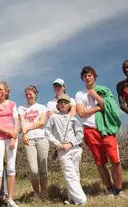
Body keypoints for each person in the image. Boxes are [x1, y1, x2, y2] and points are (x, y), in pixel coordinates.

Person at [75, 66, 124, 197]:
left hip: (106, 129)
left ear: (94, 76)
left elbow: (109, 107)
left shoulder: (104, 90)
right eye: (85, 76)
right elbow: (81, 113)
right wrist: (97, 107)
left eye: (89, 75)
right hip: (90, 131)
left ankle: (119, 190)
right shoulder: (80, 94)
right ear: (82, 78)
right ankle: (109, 189)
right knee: (100, 162)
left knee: (115, 160)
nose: (87, 78)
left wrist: (96, 96)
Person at [45, 94, 86, 205]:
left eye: (66, 102)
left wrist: (70, 144)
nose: (63, 104)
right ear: (57, 105)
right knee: (69, 173)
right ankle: (81, 200)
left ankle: (72, 199)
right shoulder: (53, 118)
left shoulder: (73, 119)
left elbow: (80, 134)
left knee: (75, 173)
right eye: (61, 102)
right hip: (62, 150)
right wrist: (57, 144)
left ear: (69, 105)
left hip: (75, 149)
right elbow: (47, 132)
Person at [0, 81, 19, 207]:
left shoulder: (12, 104)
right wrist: (8, 132)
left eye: (1, 89)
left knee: (11, 167)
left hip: (11, 138)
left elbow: (16, 122)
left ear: (6, 91)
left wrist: (13, 137)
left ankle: (10, 199)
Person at [18, 85, 48, 201]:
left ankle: (44, 194)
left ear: (35, 95)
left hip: (41, 138)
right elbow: (22, 122)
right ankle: (37, 193)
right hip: (28, 139)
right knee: (33, 170)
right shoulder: (21, 108)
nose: (28, 96)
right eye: (26, 94)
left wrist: (26, 129)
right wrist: (24, 134)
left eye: (30, 94)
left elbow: (42, 122)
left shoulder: (42, 107)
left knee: (43, 169)